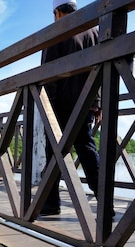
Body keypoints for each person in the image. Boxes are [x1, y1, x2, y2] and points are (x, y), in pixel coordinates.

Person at [40, 0, 101, 216]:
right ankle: (105, 202)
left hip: (60, 104)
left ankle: (50, 204)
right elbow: (102, 68)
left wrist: (47, 107)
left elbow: (48, 75)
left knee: (53, 152)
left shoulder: (56, 31)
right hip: (86, 103)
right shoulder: (94, 31)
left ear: (57, 12)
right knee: (87, 148)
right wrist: (98, 104)